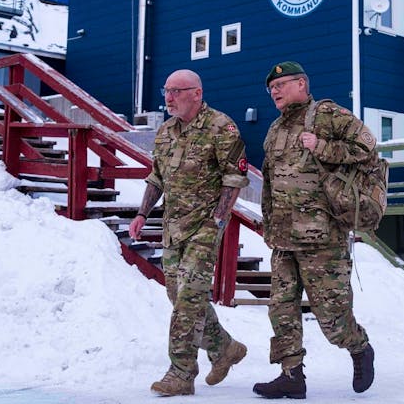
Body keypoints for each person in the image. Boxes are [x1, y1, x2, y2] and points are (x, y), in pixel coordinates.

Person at [253, 61, 376, 399]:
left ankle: (359, 347)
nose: (275, 91)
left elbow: (367, 147)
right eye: (271, 88)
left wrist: (323, 147)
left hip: (322, 238)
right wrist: (268, 223)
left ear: (303, 83)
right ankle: (291, 375)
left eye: (282, 84)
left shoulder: (327, 114)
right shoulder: (275, 130)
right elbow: (269, 183)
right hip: (282, 238)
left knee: (332, 317)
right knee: (282, 310)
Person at [130, 69, 250, 396]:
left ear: (196, 93)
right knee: (177, 294)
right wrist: (142, 213)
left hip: (204, 229)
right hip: (173, 227)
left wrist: (217, 222)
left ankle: (181, 372)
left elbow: (234, 179)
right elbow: (157, 177)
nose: (168, 98)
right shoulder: (166, 131)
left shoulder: (221, 127)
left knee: (188, 298)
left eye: (176, 91)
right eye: (166, 91)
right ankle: (224, 347)